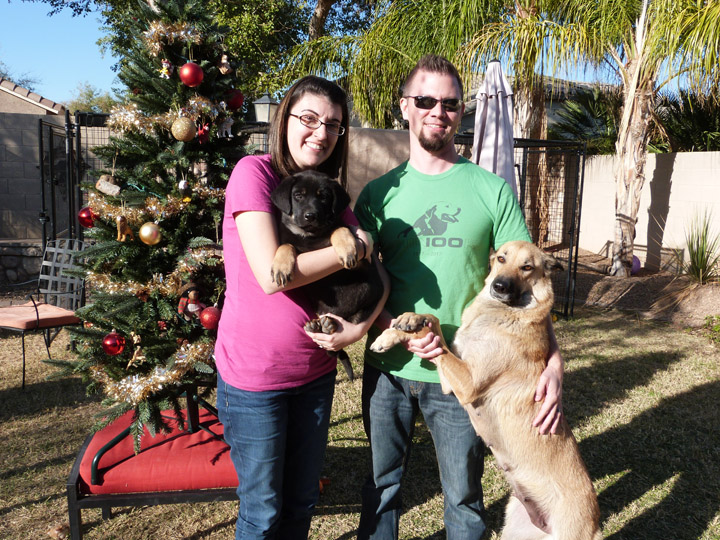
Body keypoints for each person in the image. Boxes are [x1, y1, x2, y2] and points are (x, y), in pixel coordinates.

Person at [353, 55, 565, 540]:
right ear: (405, 107)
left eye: (449, 103)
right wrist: (396, 330)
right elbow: (366, 282)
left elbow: (529, 283)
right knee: (381, 488)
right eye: (425, 100)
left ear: (461, 111)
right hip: (389, 372)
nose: (438, 112)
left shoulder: (491, 190)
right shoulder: (378, 196)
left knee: (464, 499)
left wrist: (553, 360)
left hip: (469, 373)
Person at [215, 75, 388, 540]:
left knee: (301, 501)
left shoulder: (331, 194)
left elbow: (379, 279)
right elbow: (275, 276)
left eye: (333, 125)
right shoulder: (255, 174)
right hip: (256, 377)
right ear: (284, 119)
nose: (321, 132)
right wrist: (359, 241)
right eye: (308, 119)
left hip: (313, 373)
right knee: (263, 510)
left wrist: (359, 329)